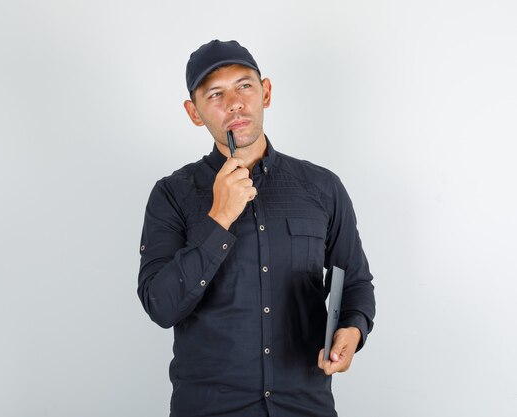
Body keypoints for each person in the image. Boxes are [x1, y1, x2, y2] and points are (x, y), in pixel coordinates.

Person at [137, 39, 376, 417]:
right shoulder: (172, 195)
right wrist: (219, 219)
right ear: (194, 112)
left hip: (305, 406)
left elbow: (357, 282)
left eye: (244, 86)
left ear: (265, 92)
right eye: (215, 93)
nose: (234, 102)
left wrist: (353, 329)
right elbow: (160, 306)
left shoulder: (322, 187)